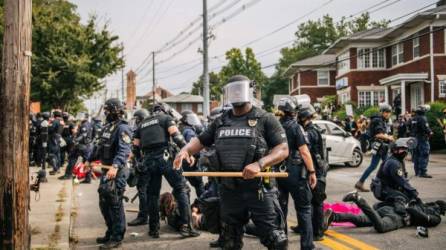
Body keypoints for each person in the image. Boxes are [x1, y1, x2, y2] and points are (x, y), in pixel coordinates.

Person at [175, 75, 289, 250]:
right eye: (232, 90)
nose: (236, 93)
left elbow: (282, 149)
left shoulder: (265, 118)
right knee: (229, 240)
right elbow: (201, 140)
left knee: (276, 239)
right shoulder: (220, 121)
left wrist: (259, 164)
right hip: (229, 190)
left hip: (258, 189)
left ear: (249, 90)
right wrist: (186, 150)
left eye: (239, 89)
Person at [133, 103, 199, 238]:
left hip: (148, 161)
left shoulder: (141, 124)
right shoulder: (165, 118)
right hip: (165, 158)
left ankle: (153, 229)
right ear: (164, 111)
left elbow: (135, 147)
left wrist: (141, 162)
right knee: (181, 189)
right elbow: (176, 136)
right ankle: (186, 227)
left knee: (152, 195)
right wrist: (188, 153)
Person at [85, 98, 132, 249]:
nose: (105, 112)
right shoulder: (107, 127)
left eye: (107, 109)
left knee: (115, 203)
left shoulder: (123, 128)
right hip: (106, 170)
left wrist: (115, 166)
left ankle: (117, 236)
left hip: (117, 170)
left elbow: (124, 150)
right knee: (104, 203)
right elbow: (100, 147)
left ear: (115, 111)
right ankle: (110, 231)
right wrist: (89, 160)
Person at [276, 97, 317, 250]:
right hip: (295, 171)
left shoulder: (275, 127)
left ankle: (282, 244)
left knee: (280, 210)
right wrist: (312, 171)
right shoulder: (296, 127)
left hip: (277, 172)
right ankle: (307, 247)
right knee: (304, 209)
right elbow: (304, 152)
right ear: (294, 112)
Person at [323, 191, 446, 234]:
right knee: (381, 227)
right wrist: (409, 209)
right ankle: (358, 199)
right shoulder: (436, 216)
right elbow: (424, 218)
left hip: (390, 210)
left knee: (361, 220)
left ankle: (334, 216)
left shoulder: (421, 203)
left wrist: (407, 206)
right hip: (399, 217)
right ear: (442, 210)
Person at [297, 104, 328, 241]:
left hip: (316, 170)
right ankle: (304, 227)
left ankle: (318, 232)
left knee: (316, 201)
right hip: (318, 168)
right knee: (309, 201)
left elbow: (305, 151)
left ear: (304, 117)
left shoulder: (310, 132)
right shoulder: (313, 129)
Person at [355, 104, 394, 192]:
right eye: (386, 112)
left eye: (389, 112)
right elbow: (378, 134)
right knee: (376, 166)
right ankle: (363, 183)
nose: (388, 114)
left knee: (386, 164)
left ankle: (382, 183)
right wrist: (389, 138)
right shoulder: (378, 120)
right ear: (382, 112)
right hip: (379, 146)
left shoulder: (382, 120)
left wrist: (387, 136)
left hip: (382, 146)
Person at [128, 109, 151, 227]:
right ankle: (149, 214)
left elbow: (137, 150)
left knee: (143, 191)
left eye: (136, 119)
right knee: (150, 191)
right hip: (149, 164)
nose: (135, 122)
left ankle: (143, 217)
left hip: (144, 165)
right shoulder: (149, 129)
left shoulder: (142, 131)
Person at [180, 110, 205, 197]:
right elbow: (194, 149)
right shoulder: (189, 131)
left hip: (182, 162)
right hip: (191, 163)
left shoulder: (181, 129)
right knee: (199, 185)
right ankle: (204, 206)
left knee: (181, 187)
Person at [410, 105, 433, 178]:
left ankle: (417, 172)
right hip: (422, 138)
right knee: (424, 154)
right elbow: (425, 128)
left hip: (414, 139)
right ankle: (422, 172)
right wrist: (430, 132)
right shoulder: (423, 118)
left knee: (416, 154)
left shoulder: (414, 118)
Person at [48, 111, 65, 175]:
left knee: (52, 154)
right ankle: (58, 168)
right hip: (59, 137)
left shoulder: (55, 121)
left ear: (54, 115)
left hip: (54, 138)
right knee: (58, 154)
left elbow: (51, 129)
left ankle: (55, 169)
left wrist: (49, 125)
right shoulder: (62, 121)